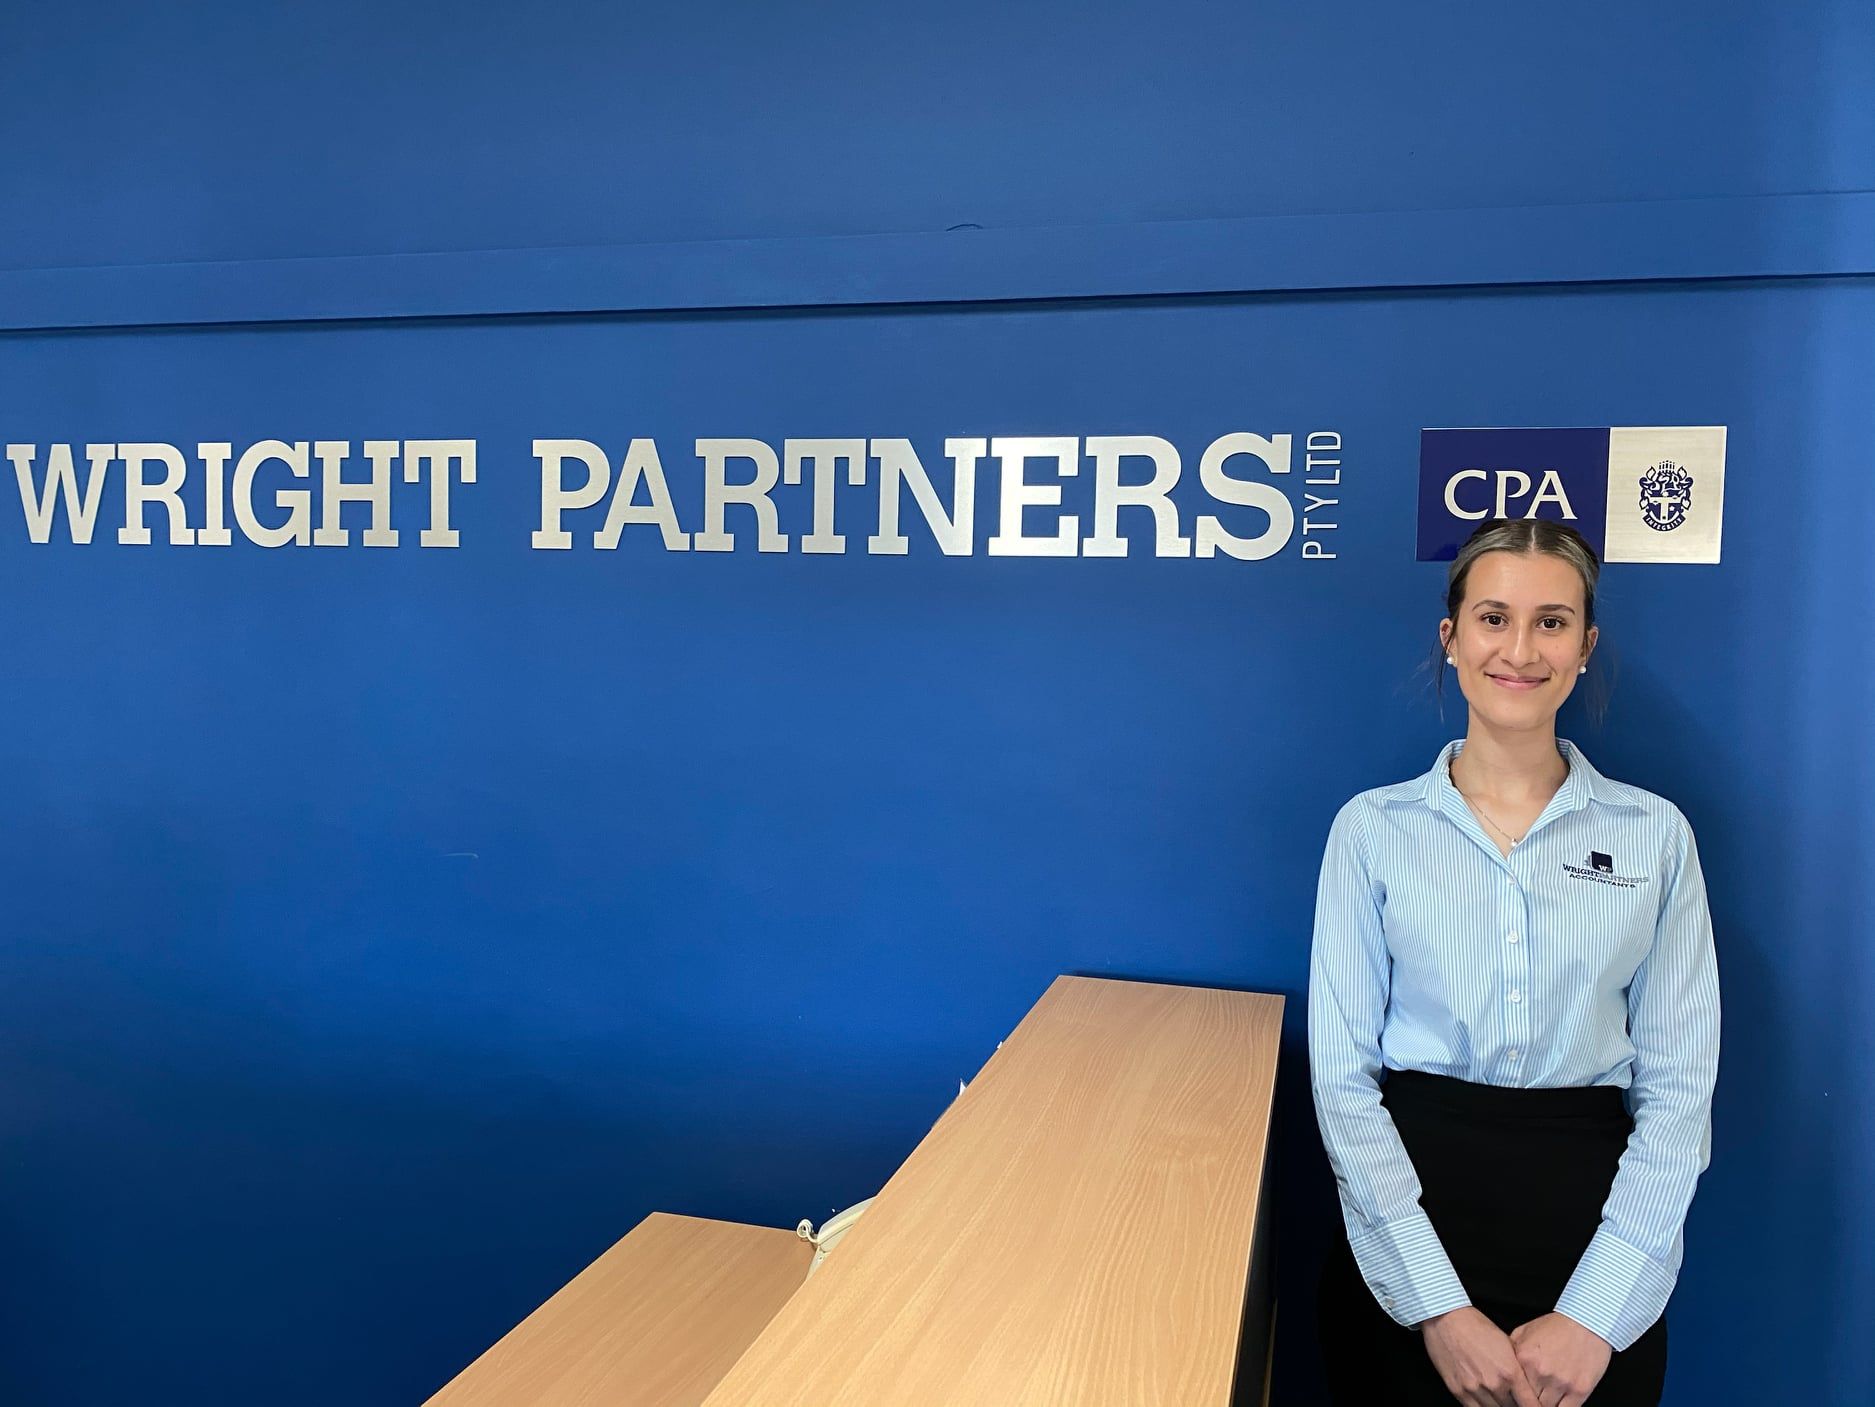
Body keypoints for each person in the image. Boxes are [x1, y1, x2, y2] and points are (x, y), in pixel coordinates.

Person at [1308, 518, 1720, 1407]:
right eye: (1493, 618)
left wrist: (1595, 1314)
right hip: (1407, 1229)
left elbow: (1679, 1096)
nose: (1521, 650)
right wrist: (1435, 1307)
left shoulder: (1654, 836)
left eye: (1552, 622)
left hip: (1591, 1230)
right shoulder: (1372, 831)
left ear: (1584, 645)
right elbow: (1343, 1083)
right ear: (1450, 637)